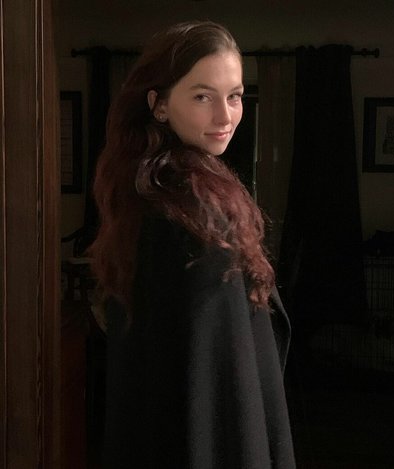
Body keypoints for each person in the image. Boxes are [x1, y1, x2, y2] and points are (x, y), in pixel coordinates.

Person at [89, 20, 296, 469]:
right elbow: (210, 377)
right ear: (159, 105)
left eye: (234, 96)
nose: (225, 117)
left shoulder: (161, 186)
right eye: (203, 96)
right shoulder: (183, 206)